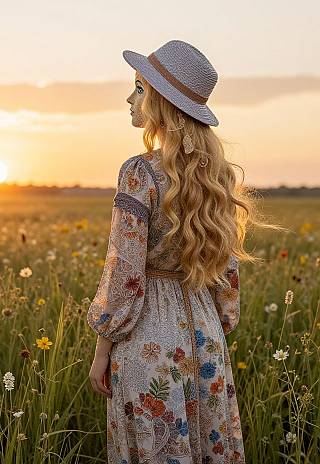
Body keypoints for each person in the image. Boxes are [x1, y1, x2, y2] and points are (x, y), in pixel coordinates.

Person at [86, 40, 279, 464]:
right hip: (206, 335)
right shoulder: (218, 177)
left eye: (138, 88)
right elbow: (227, 277)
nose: (130, 98)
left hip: (148, 337)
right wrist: (218, 321)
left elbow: (125, 272)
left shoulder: (138, 172)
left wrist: (103, 349)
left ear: (160, 102)